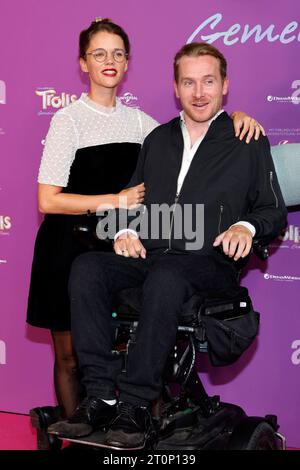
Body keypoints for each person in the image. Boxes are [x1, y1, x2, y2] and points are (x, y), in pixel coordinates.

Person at [27, 18, 265, 435]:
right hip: (88, 243)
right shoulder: (117, 129)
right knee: (87, 274)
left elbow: (261, 201)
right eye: (188, 83)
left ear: (224, 85)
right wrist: (124, 227)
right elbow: (116, 198)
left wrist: (245, 223)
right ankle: (100, 397)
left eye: (208, 82)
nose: (198, 91)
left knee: (167, 274)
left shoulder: (158, 127)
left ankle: (135, 404)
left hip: (189, 256)